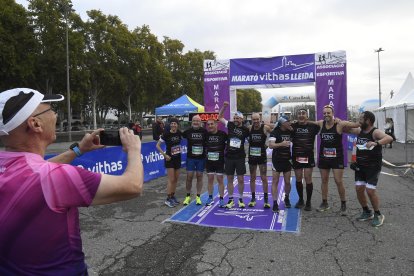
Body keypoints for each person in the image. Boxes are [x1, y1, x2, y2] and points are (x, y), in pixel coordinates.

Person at [0, 88, 143, 275]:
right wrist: (134, 149)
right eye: (50, 110)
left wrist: (79, 150)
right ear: (35, 124)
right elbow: (133, 186)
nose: (56, 115)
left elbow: (35, 172)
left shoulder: (18, 168)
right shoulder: (52, 176)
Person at [310, 105, 360, 215]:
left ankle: (343, 204)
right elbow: (309, 123)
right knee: (324, 180)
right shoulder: (320, 123)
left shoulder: (340, 124)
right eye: (324, 113)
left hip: (337, 157)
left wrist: (360, 119)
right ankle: (324, 202)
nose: (326, 115)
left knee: (338, 181)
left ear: (333, 113)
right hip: (324, 157)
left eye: (328, 113)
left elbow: (356, 125)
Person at [346, 111, 393, 227]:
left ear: (368, 120)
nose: (359, 120)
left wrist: (376, 143)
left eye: (361, 119)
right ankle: (366, 211)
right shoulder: (359, 131)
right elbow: (345, 129)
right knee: (359, 188)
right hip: (360, 166)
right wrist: (339, 122)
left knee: (370, 190)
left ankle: (378, 214)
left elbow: (389, 138)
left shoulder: (375, 132)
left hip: (372, 167)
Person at [218, 102, 250, 209]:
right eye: (235, 118)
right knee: (230, 179)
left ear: (242, 119)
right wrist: (224, 107)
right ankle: (231, 199)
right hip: (229, 156)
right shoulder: (230, 125)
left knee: (240, 179)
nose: (236, 120)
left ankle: (240, 199)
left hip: (240, 157)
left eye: (238, 118)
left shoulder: (245, 129)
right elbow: (220, 117)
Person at [291, 108, 320, 211]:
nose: (301, 115)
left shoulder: (313, 126)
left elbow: (322, 123)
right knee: (298, 178)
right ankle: (301, 200)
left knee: (308, 179)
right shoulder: (293, 126)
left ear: (307, 116)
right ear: (297, 116)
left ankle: (308, 202)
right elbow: (281, 125)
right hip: (296, 156)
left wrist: (308, 121)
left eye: (303, 114)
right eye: (299, 113)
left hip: (308, 157)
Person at [268, 115, 293, 213]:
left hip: (287, 160)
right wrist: (281, 144)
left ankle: (286, 197)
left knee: (287, 182)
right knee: (275, 181)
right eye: (288, 121)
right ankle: (275, 203)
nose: (290, 123)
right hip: (277, 160)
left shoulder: (290, 131)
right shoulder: (275, 132)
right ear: (283, 123)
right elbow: (270, 145)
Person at [247, 112, 273, 208]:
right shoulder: (249, 128)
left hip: (262, 156)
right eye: (254, 119)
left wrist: (270, 144)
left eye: (257, 119)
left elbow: (274, 132)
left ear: (260, 118)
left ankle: (266, 200)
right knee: (252, 177)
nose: (256, 121)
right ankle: (253, 198)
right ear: (251, 120)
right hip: (252, 156)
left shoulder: (265, 128)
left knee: (264, 177)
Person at [182, 115, 208, 205]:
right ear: (192, 122)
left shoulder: (204, 131)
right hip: (191, 158)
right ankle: (188, 196)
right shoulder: (188, 131)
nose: (196, 122)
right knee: (189, 176)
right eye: (194, 121)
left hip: (201, 158)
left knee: (199, 176)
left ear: (200, 122)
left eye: (197, 121)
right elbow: (178, 135)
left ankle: (198, 197)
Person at [156, 117, 182, 207]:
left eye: (175, 123)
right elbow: (157, 146)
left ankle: (172, 196)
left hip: (178, 158)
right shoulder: (166, 134)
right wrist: (165, 155)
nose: (173, 125)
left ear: (177, 125)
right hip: (169, 159)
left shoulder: (179, 133)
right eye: (172, 123)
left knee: (175, 179)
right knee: (171, 179)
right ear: (170, 125)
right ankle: (168, 199)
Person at [204, 118, 228, 207]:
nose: (210, 126)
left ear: (216, 124)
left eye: (212, 124)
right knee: (210, 179)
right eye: (208, 124)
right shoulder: (206, 135)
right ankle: (210, 197)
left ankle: (221, 199)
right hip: (209, 161)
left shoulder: (223, 134)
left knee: (220, 180)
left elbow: (228, 145)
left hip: (220, 161)